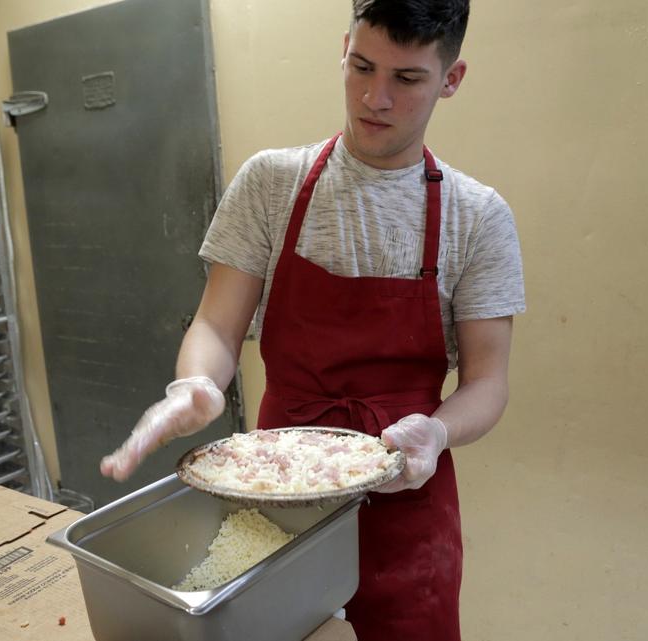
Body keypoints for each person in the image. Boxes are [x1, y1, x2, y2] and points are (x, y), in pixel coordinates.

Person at [100, 0, 524, 638]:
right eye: (361, 66)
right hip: (277, 493)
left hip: (406, 494)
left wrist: (436, 436)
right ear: (344, 49)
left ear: (451, 78)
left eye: (406, 79)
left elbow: (488, 382)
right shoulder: (271, 183)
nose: (374, 98)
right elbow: (216, 327)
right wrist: (194, 385)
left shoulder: (478, 216)